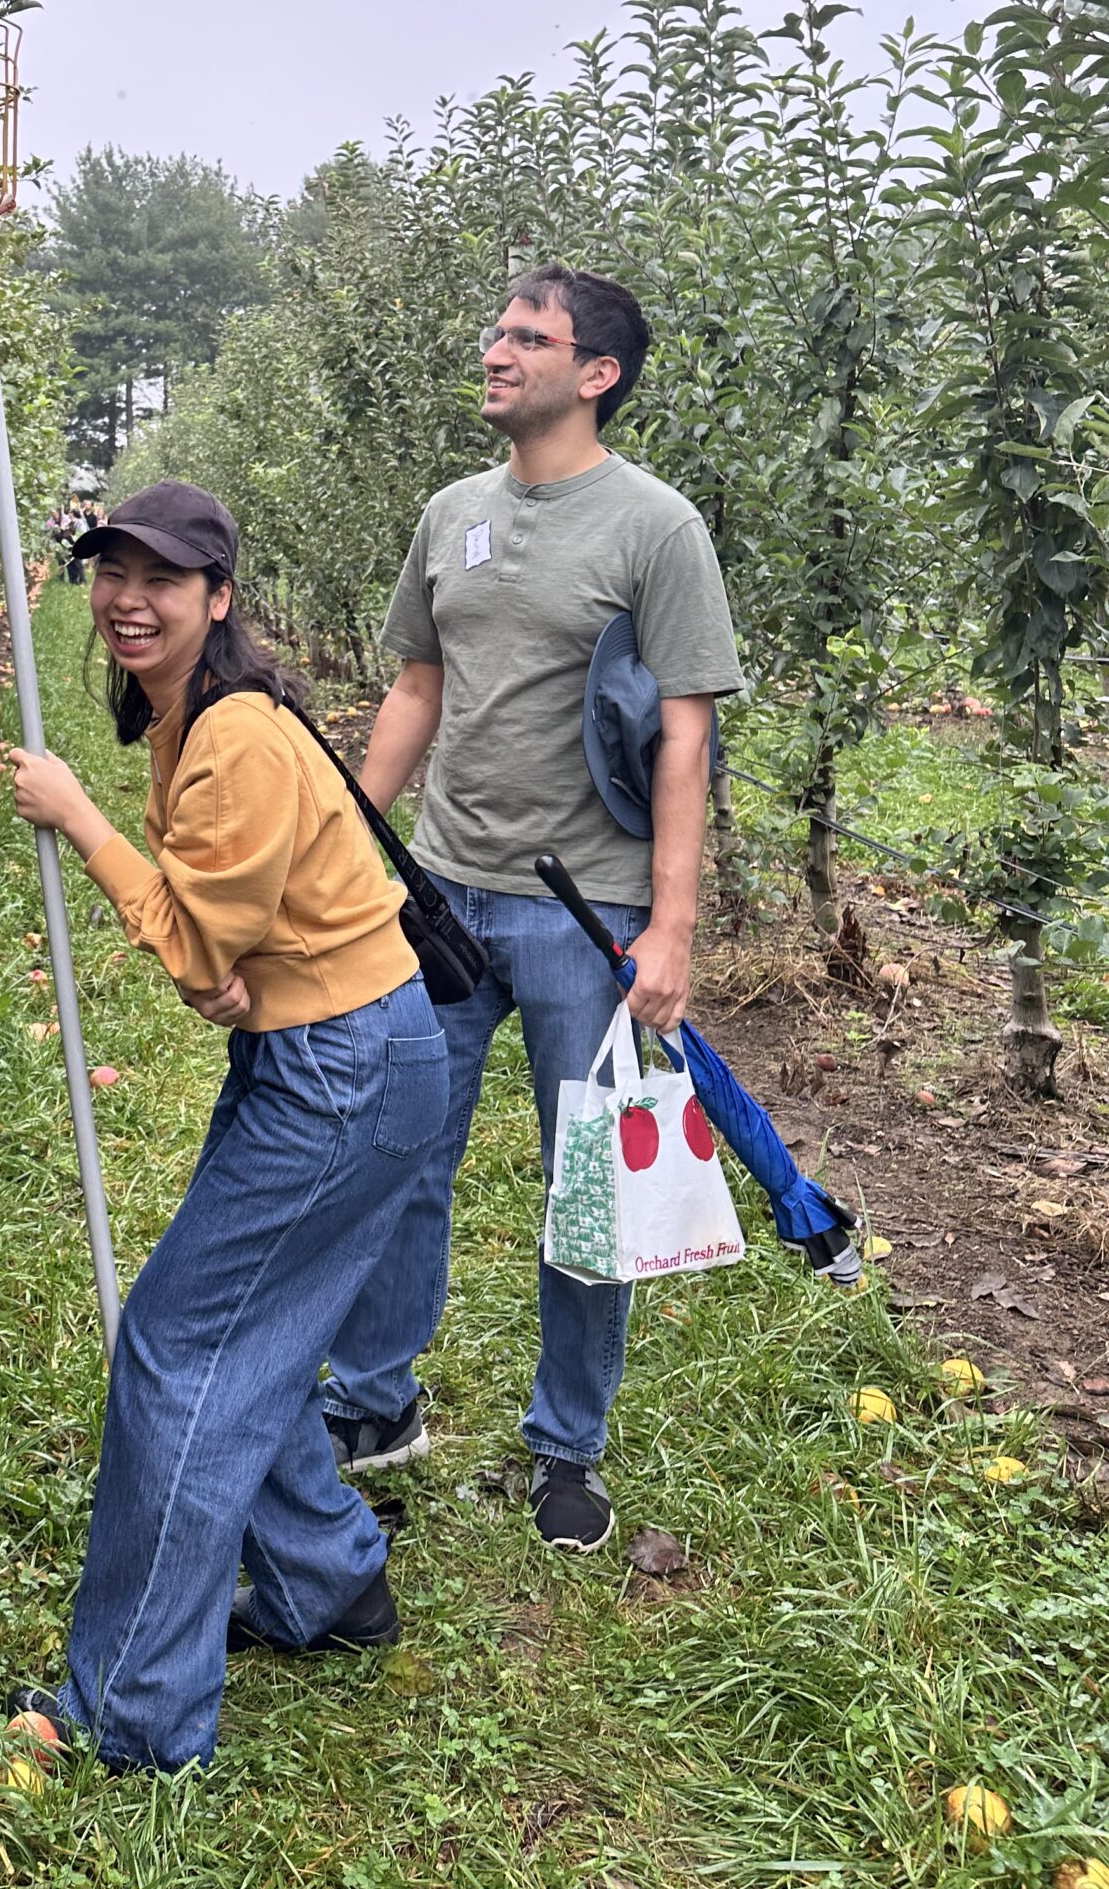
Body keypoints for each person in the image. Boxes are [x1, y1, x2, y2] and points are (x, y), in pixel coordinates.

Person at [4, 480, 446, 1770]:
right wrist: (222, 962)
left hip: (340, 1070)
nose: (128, 600)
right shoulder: (187, 714)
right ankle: (330, 1585)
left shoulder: (237, 733)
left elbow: (196, 938)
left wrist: (78, 819)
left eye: (161, 579)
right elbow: (217, 948)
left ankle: (131, 1711)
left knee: (178, 1351)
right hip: (343, 1050)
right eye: (111, 573)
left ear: (219, 596)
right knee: (245, 1337)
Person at [321, 264, 744, 1555]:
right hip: (440, 893)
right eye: (496, 330)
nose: (496, 351)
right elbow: (413, 691)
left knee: (589, 1188)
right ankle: (373, 1401)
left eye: (527, 337)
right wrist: (345, 843)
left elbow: (685, 735)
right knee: (398, 1158)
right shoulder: (451, 512)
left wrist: (669, 927)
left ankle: (568, 1446)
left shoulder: (653, 527)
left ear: (596, 373)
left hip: (586, 914)